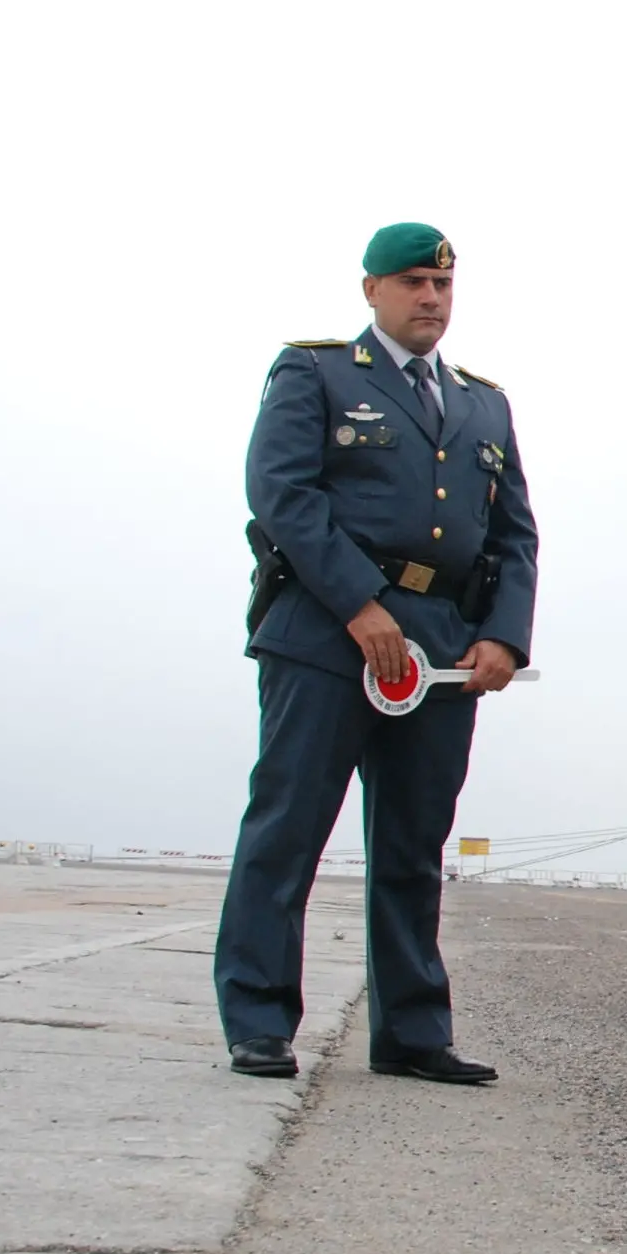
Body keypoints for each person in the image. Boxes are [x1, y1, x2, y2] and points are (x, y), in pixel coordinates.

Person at [217, 223, 538, 1084]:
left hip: (437, 652)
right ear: (371, 291)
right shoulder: (315, 372)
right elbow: (281, 493)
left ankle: (411, 1031)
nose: (430, 299)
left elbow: (514, 536)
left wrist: (503, 636)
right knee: (288, 831)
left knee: (412, 844)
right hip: (326, 634)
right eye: (410, 284)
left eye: (442, 285)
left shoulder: (484, 403)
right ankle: (257, 1019)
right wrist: (360, 606)